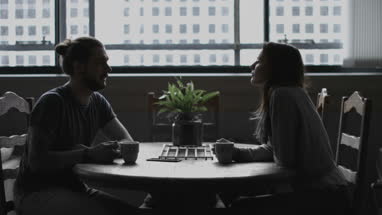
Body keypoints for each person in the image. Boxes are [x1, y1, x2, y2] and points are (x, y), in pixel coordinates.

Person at [14, 37, 137, 215]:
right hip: (36, 194)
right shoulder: (52, 102)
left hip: (76, 189)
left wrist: (111, 150)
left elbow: (127, 140)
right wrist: (87, 153)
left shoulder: (98, 102)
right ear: (79, 67)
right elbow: (36, 162)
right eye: (100, 63)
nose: (108, 69)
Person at [228, 42, 350, 214]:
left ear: (275, 68)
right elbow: (278, 150)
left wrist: (242, 155)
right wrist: (238, 153)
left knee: (238, 205)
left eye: (259, 61)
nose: (252, 66)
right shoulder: (293, 92)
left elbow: (285, 160)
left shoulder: (282, 96)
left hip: (323, 199)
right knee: (237, 195)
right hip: (331, 191)